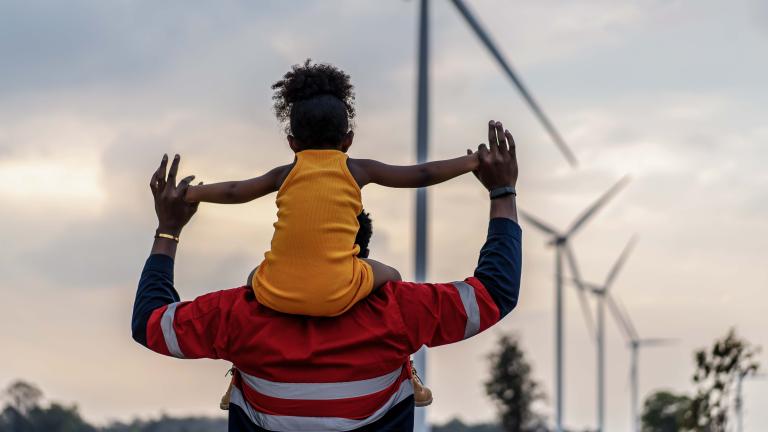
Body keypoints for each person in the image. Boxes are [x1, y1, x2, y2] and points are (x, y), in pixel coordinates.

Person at [132, 120, 522, 431]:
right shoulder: (399, 311)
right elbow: (494, 292)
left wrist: (169, 231)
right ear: (359, 252)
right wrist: (501, 191)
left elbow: (151, 323)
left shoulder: (238, 316)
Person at [183, 60, 480, 319]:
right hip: (337, 292)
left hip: (277, 293)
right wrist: (472, 161)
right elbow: (422, 173)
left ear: (292, 143)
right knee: (392, 275)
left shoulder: (285, 174)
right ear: (347, 140)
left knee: (252, 277)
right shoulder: (357, 170)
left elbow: (235, 190)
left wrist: (192, 193)